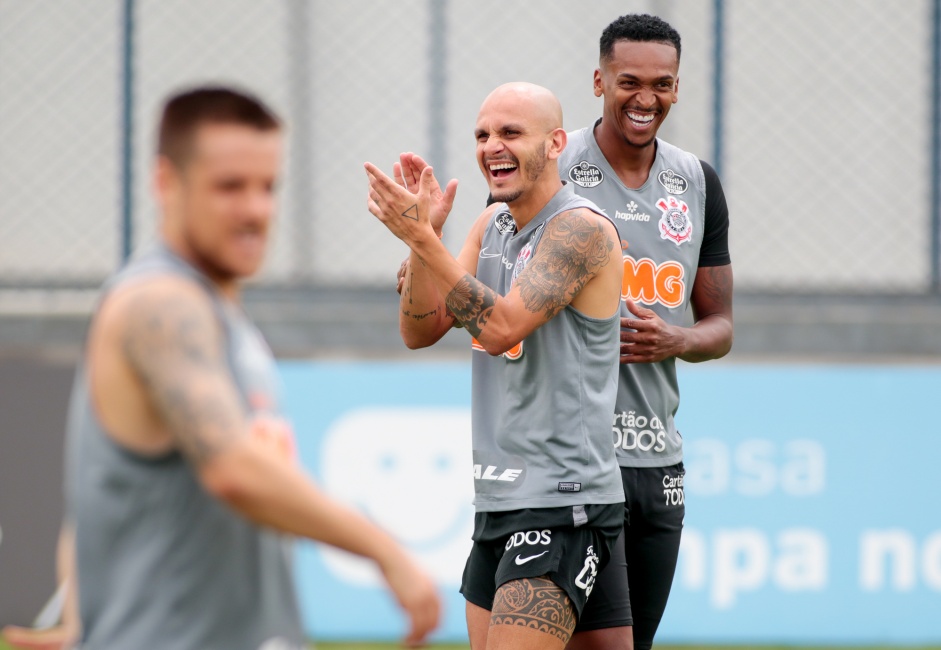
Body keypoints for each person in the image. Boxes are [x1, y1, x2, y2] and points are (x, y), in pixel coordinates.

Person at [6, 86, 440, 650]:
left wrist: (78, 617)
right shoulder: (159, 304)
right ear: (167, 183)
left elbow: (96, 502)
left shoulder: (221, 313)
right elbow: (232, 468)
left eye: (268, 187)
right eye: (230, 187)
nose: (257, 209)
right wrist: (384, 550)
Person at [365, 82, 625, 650]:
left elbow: (502, 325)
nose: (491, 146)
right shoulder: (490, 227)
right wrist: (425, 237)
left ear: (556, 143)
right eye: (482, 135)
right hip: (499, 502)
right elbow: (421, 329)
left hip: (564, 502)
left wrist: (420, 237)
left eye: (510, 133)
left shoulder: (581, 229)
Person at [560, 14, 734, 650]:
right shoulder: (553, 166)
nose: (645, 98)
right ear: (599, 80)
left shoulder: (697, 183)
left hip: (657, 461)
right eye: (628, 81)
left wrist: (678, 340)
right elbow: (490, 266)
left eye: (662, 84)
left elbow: (720, 327)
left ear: (678, 88)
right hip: (570, 460)